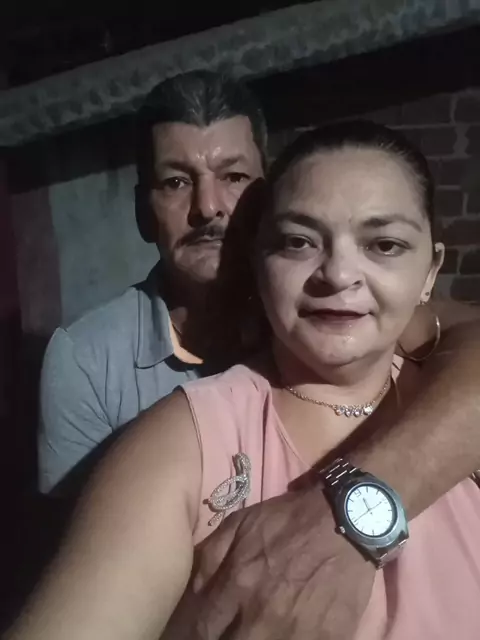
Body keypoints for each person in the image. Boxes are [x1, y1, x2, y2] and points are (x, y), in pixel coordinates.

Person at [11, 122, 480, 640]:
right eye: (298, 242)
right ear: (258, 260)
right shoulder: (180, 445)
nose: (339, 273)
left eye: (385, 244)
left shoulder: (457, 400)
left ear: (431, 271)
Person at [39, 70, 480, 498]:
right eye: (175, 182)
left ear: (270, 198)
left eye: (233, 177)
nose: (207, 207)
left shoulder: (332, 311)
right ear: (142, 210)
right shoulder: (86, 363)